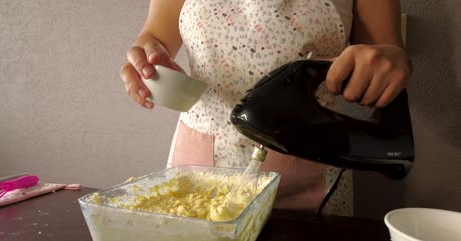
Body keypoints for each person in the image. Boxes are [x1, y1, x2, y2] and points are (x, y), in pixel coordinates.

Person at [120, 0, 412, 216]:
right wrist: (147, 58)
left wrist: (391, 64)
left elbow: (388, 55)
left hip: (309, 179)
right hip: (197, 173)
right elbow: (155, 37)